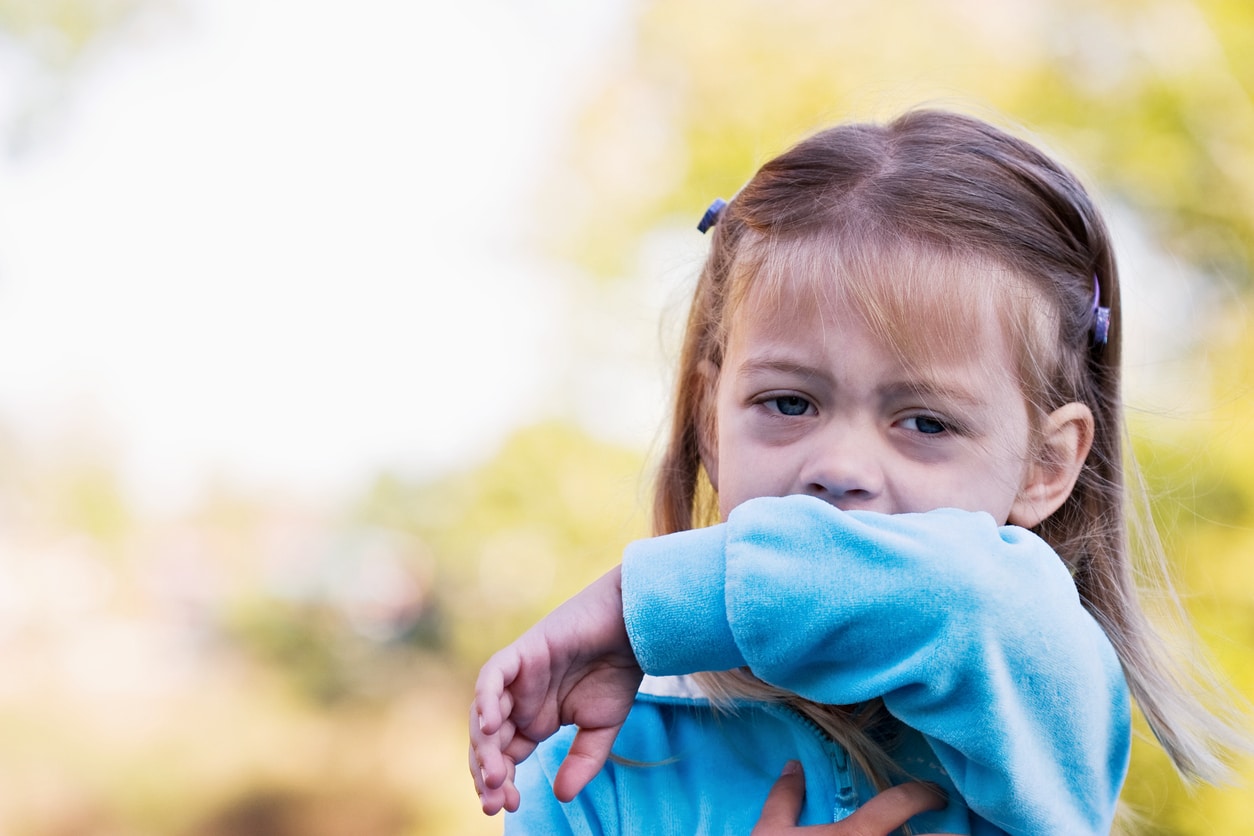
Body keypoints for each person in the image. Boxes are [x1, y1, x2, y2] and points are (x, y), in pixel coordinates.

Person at [468, 108, 1245, 834]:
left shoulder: (1031, 675)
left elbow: (966, 594)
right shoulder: (600, 763)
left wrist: (643, 604)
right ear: (711, 416)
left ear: (1045, 466)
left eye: (925, 422)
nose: (839, 467)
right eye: (788, 403)